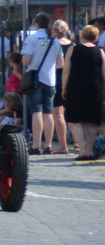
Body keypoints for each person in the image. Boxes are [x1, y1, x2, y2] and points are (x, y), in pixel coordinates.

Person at [20, 14, 62, 155]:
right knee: (48, 112)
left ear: (36, 24)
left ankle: (36, 145)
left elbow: (26, 61)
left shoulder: (32, 38)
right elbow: (60, 63)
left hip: (36, 80)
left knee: (36, 111)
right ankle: (48, 145)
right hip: (50, 80)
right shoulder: (54, 40)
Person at [62, 25, 103, 161]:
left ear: (83, 35)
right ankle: (90, 150)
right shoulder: (100, 51)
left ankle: (82, 149)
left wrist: (64, 88)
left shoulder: (73, 49)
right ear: (95, 37)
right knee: (91, 121)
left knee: (75, 120)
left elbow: (66, 70)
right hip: (95, 88)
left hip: (76, 87)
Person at [52, 19, 75, 155]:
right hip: (71, 80)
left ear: (55, 30)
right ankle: (77, 142)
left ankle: (63, 145)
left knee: (58, 114)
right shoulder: (73, 45)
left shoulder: (54, 44)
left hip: (57, 78)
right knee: (71, 112)